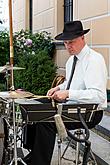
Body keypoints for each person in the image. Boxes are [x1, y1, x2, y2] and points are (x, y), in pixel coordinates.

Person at [24, 20, 107, 165]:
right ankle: (34, 153)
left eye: (72, 42)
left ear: (82, 38)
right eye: (66, 43)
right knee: (34, 107)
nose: (68, 46)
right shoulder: (71, 61)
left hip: (91, 112)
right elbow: (72, 83)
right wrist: (60, 88)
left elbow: (98, 96)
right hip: (72, 106)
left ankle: (38, 162)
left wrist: (68, 93)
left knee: (47, 120)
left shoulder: (94, 60)